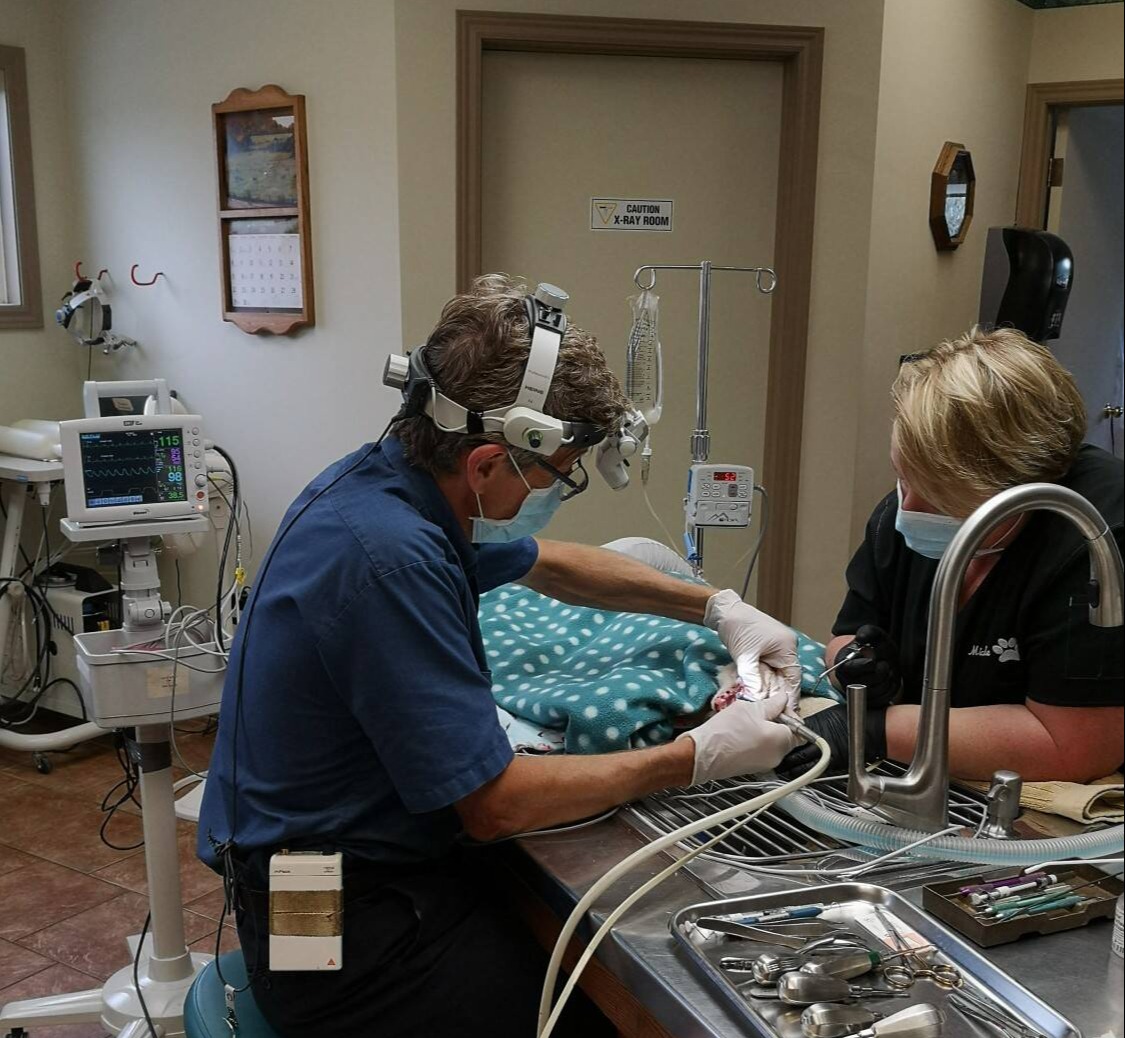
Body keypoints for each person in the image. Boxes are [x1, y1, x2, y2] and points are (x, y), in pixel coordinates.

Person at [197, 275, 801, 1038]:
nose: (553, 494)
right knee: (603, 1013)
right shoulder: (391, 559)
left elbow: (549, 560)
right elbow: (496, 805)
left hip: (333, 877)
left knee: (543, 938)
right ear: (486, 464)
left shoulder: (384, 484)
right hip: (323, 930)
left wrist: (717, 606)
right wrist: (694, 756)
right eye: (554, 476)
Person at [781, 327, 1124, 782]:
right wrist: (858, 664)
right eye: (904, 478)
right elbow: (845, 635)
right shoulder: (899, 517)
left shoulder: (1093, 536)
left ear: (1017, 490)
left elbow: (1075, 746)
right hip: (946, 777)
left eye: (942, 499)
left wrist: (876, 729)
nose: (910, 508)